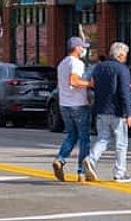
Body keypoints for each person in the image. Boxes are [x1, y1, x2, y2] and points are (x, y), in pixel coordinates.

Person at [83, 41, 131, 183]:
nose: (125, 58)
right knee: (121, 144)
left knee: (103, 138)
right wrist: (128, 113)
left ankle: (91, 159)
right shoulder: (122, 69)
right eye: (125, 55)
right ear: (120, 54)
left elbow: (93, 86)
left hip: (101, 109)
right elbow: (124, 93)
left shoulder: (99, 68)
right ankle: (120, 173)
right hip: (117, 111)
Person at [52, 36, 93, 182]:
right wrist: (90, 84)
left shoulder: (62, 63)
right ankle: (81, 172)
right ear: (76, 48)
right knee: (84, 138)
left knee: (71, 135)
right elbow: (74, 81)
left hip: (65, 105)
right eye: (82, 47)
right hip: (78, 104)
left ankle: (60, 159)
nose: (83, 50)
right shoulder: (76, 63)